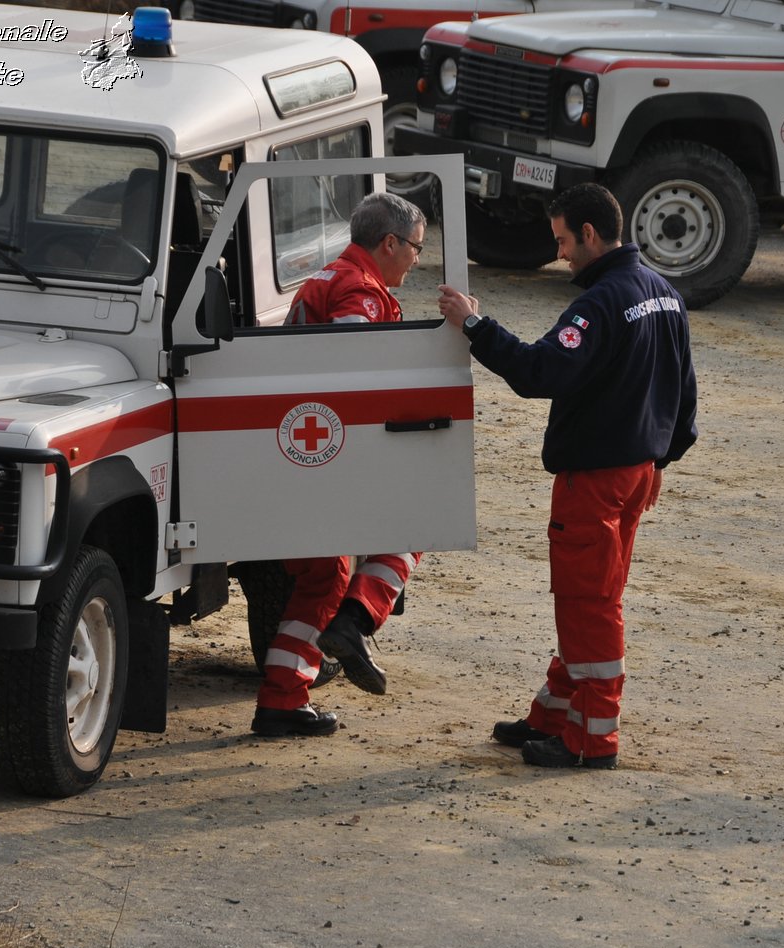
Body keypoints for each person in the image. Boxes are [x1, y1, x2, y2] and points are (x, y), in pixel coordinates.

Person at [437, 183, 698, 769]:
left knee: (589, 601)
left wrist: (476, 327)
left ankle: (592, 740)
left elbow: (539, 371)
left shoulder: (599, 303)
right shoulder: (663, 293)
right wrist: (661, 458)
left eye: (562, 240)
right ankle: (556, 711)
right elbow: (685, 394)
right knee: (592, 595)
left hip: (598, 479)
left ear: (588, 234)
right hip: (638, 473)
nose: (559, 254)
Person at [250, 190, 429, 737]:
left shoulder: (328, 278)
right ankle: (355, 624)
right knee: (410, 529)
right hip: (327, 457)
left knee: (324, 577)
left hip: (300, 453)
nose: (419, 259)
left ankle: (282, 701)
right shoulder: (361, 290)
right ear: (390, 243)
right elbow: (352, 368)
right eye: (417, 249)